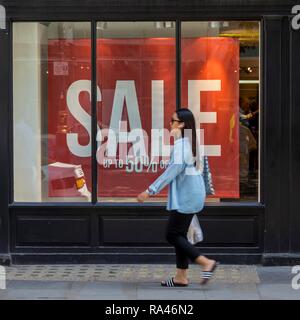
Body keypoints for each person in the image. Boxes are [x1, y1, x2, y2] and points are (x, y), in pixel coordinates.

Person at [137, 108, 218, 287]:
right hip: (193, 195)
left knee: (172, 234)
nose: (169, 124)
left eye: (172, 121)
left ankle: (205, 262)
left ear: (181, 124)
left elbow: (172, 171)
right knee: (180, 234)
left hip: (187, 197)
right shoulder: (192, 143)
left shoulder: (182, 146)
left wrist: (150, 190)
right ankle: (181, 276)